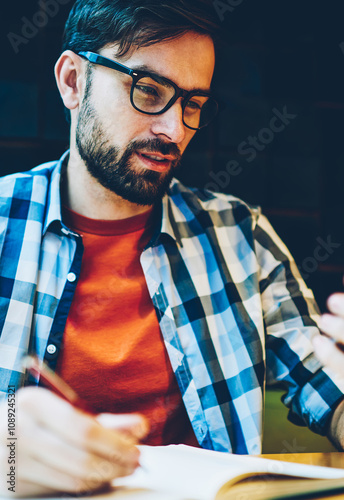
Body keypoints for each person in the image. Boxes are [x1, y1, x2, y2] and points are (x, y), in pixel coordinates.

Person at [1, 0, 344, 496]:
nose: (175, 130)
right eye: (148, 90)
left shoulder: (239, 233)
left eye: (193, 104)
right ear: (73, 81)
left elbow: (325, 384)